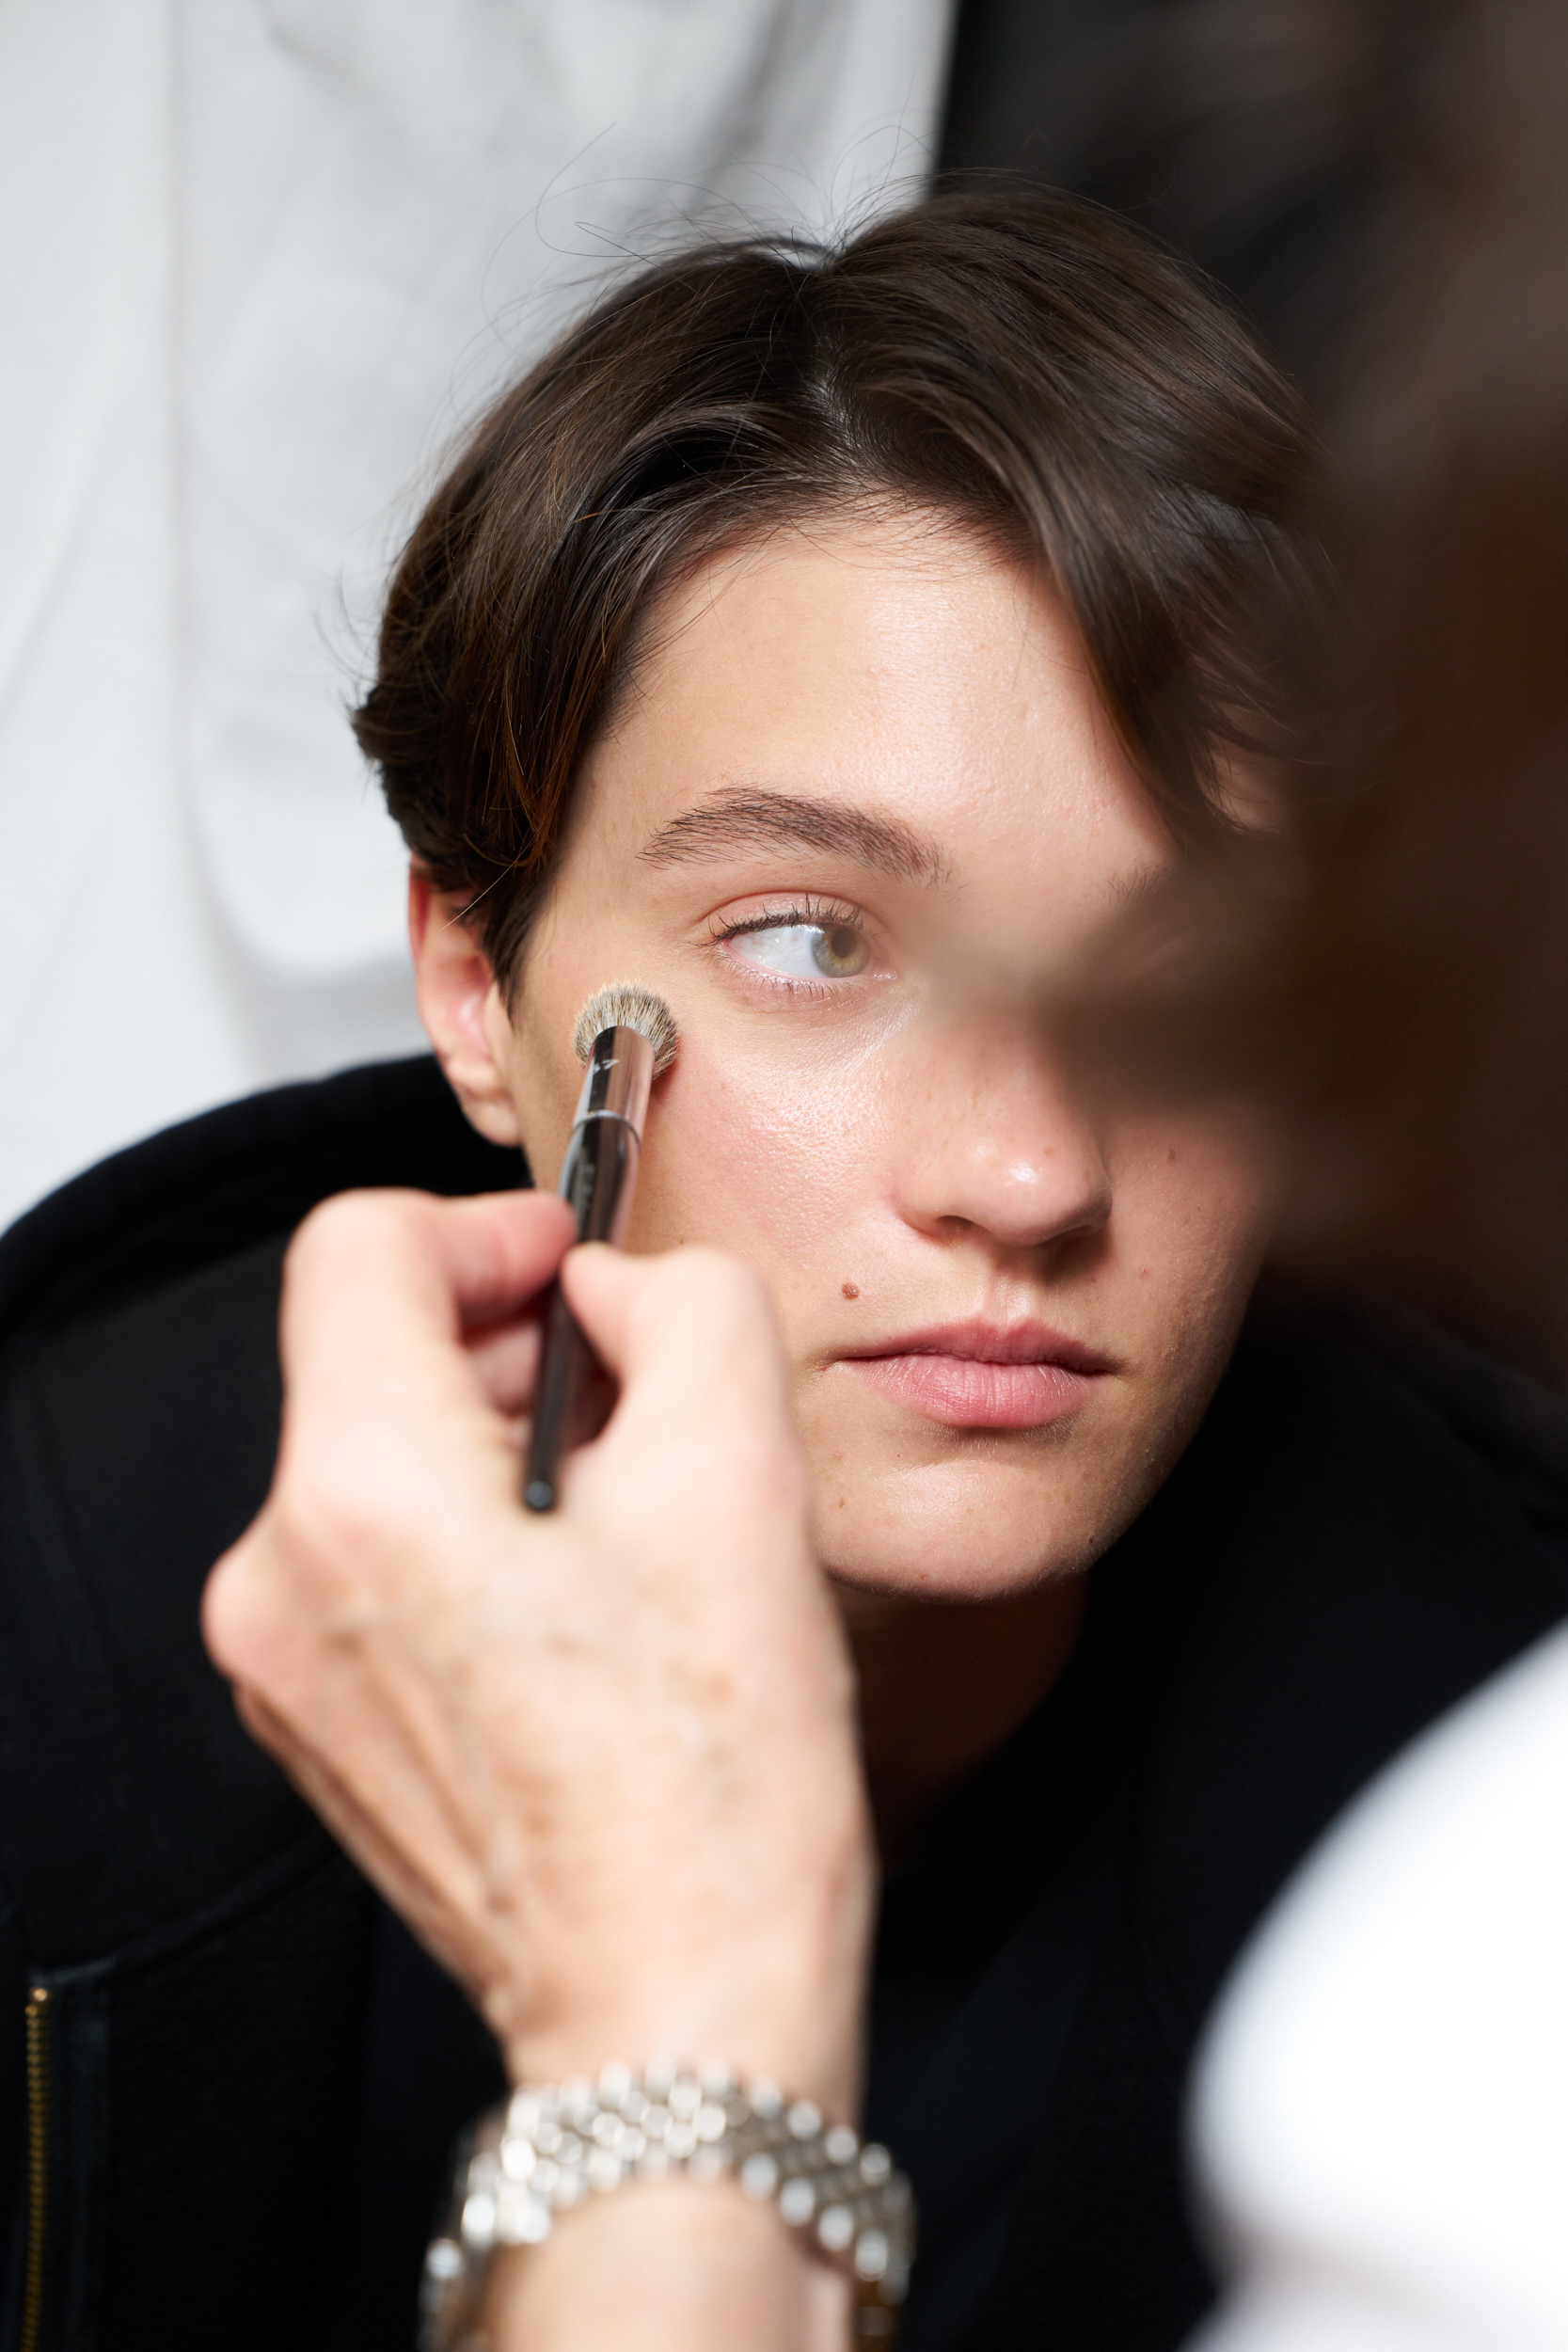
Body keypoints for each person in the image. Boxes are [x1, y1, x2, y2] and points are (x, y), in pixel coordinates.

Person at [4, 190, 1566, 2352]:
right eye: (815, 939)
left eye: (1182, 975)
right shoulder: (49, 1666)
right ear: (477, 982)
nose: (1029, 1170)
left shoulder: (1502, 1837)